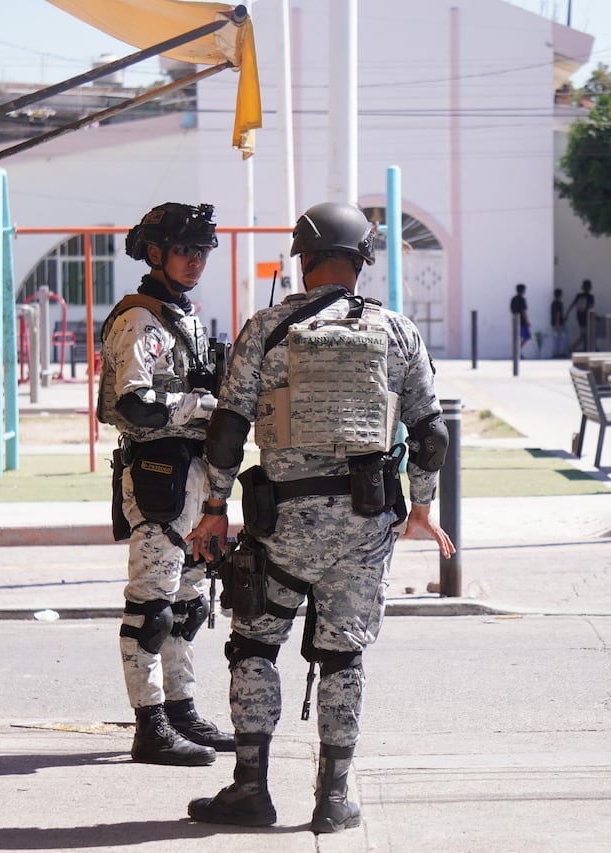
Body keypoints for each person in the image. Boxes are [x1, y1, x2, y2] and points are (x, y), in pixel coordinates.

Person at [185, 202, 455, 834]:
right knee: (343, 658)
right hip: (366, 526)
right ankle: (333, 799)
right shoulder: (397, 331)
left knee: (254, 644)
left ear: (301, 260)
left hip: (282, 524)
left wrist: (215, 508)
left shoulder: (266, 328)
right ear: (362, 262)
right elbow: (431, 433)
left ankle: (250, 789)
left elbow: (227, 431)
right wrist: (422, 505)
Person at [97, 202, 235, 767]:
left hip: (195, 475)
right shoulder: (139, 320)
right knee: (151, 606)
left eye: (203, 253)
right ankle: (149, 724)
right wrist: (205, 405)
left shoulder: (185, 317)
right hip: (156, 473)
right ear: (156, 254)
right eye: (186, 251)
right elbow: (133, 405)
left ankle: (180, 709)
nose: (197, 261)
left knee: (188, 603)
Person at [567, 278, 595, 350]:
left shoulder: (579, 296)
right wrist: (596, 317)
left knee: (584, 335)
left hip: (579, 317)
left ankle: (585, 348)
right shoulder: (591, 297)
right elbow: (591, 308)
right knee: (584, 335)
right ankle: (572, 349)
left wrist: (567, 314)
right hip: (587, 318)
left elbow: (572, 305)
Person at [510, 283, 531, 353]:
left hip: (515, 320)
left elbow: (511, 309)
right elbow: (523, 311)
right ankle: (518, 350)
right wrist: (527, 321)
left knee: (517, 337)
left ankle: (517, 351)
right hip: (522, 322)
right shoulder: (522, 299)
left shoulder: (513, 299)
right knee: (526, 336)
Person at [550, 287, 567, 357]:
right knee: (563, 338)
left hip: (554, 323)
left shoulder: (553, 303)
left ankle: (555, 353)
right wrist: (558, 322)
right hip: (559, 324)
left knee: (555, 338)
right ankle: (560, 352)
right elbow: (558, 313)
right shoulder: (559, 303)